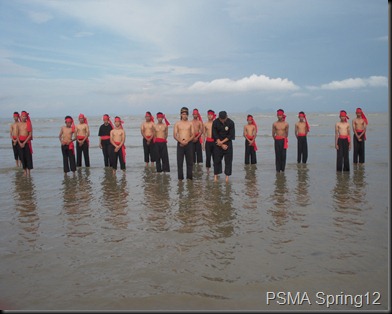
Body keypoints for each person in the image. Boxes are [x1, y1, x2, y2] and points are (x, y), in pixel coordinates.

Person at [212, 111, 235, 182]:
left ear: (226, 117)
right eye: (221, 119)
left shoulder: (231, 123)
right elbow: (214, 134)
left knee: (228, 160)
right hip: (217, 143)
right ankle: (216, 175)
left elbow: (230, 135)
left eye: (223, 119)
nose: (222, 120)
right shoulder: (215, 122)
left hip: (227, 143)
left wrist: (222, 143)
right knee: (216, 160)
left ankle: (227, 177)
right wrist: (221, 144)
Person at [173, 107, 195, 180]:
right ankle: (180, 179)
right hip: (180, 144)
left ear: (188, 115)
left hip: (189, 144)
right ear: (181, 114)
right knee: (180, 163)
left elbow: (193, 134)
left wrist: (187, 141)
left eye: (185, 114)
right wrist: (181, 141)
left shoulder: (190, 123)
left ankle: (189, 178)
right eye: (183, 114)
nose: (184, 115)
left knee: (189, 163)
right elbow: (175, 135)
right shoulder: (177, 123)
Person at [16, 111, 33, 176]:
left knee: (28, 157)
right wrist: (20, 143)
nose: (24, 117)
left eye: (25, 116)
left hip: (27, 142)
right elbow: (17, 134)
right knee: (22, 157)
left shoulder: (28, 124)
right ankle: (24, 171)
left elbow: (30, 134)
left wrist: (24, 142)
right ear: (20, 117)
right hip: (20, 142)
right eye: (23, 116)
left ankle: (29, 171)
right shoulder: (18, 124)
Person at [203, 109, 216, 174]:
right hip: (208, 142)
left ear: (213, 116)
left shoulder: (216, 123)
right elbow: (204, 134)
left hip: (215, 142)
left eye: (211, 115)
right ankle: (208, 170)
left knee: (215, 157)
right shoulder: (205, 124)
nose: (209, 116)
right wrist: (202, 144)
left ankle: (216, 170)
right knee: (208, 157)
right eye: (208, 115)